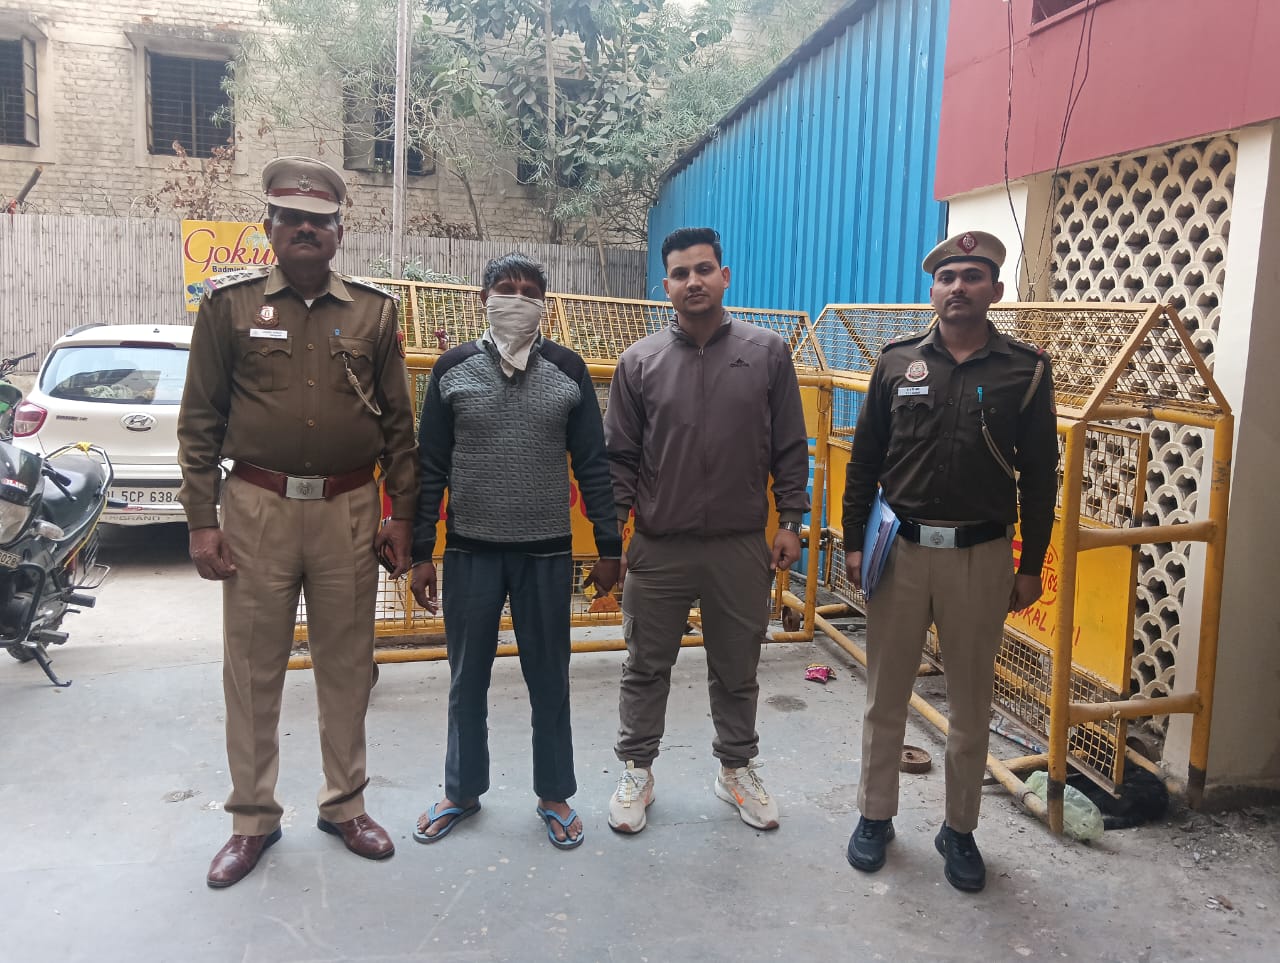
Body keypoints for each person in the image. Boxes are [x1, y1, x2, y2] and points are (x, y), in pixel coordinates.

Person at [178, 156, 418, 888]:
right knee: (252, 669)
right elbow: (199, 420)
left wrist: (402, 514)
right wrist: (201, 520)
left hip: (349, 507)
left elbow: (399, 427)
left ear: (339, 231)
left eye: (320, 220)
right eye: (291, 218)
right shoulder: (229, 307)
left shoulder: (374, 312)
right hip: (256, 507)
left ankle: (345, 804)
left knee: (348, 664)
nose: (306, 229)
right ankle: (252, 818)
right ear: (270, 227)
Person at [841, 230, 1059, 892]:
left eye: (972, 276)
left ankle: (959, 829)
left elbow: (1039, 477)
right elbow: (865, 459)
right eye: (947, 277)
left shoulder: (1025, 370)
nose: (958, 287)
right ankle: (875, 815)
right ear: (933, 291)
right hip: (900, 553)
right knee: (885, 696)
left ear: (995, 290)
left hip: (980, 557)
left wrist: (1031, 564)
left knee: (970, 703)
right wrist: (852, 541)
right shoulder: (896, 362)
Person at [603, 227, 810, 834]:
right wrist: (614, 536)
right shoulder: (639, 362)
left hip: (739, 545)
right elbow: (619, 458)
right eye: (680, 273)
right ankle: (637, 771)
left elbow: (789, 444)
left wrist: (791, 520)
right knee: (645, 665)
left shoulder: (767, 352)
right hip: (659, 546)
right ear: (665, 285)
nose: (692, 281)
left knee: (737, 665)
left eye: (703, 269)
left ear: (724, 276)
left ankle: (736, 769)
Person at [409, 254, 620, 850]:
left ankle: (554, 794)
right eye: (507, 289)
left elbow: (594, 465)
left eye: (531, 292)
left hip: (546, 556)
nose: (518, 300)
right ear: (485, 299)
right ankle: (461, 791)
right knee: (465, 680)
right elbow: (430, 468)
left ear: (543, 305)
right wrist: (422, 552)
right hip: (470, 553)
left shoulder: (568, 370)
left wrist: (609, 545)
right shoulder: (452, 370)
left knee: (550, 680)